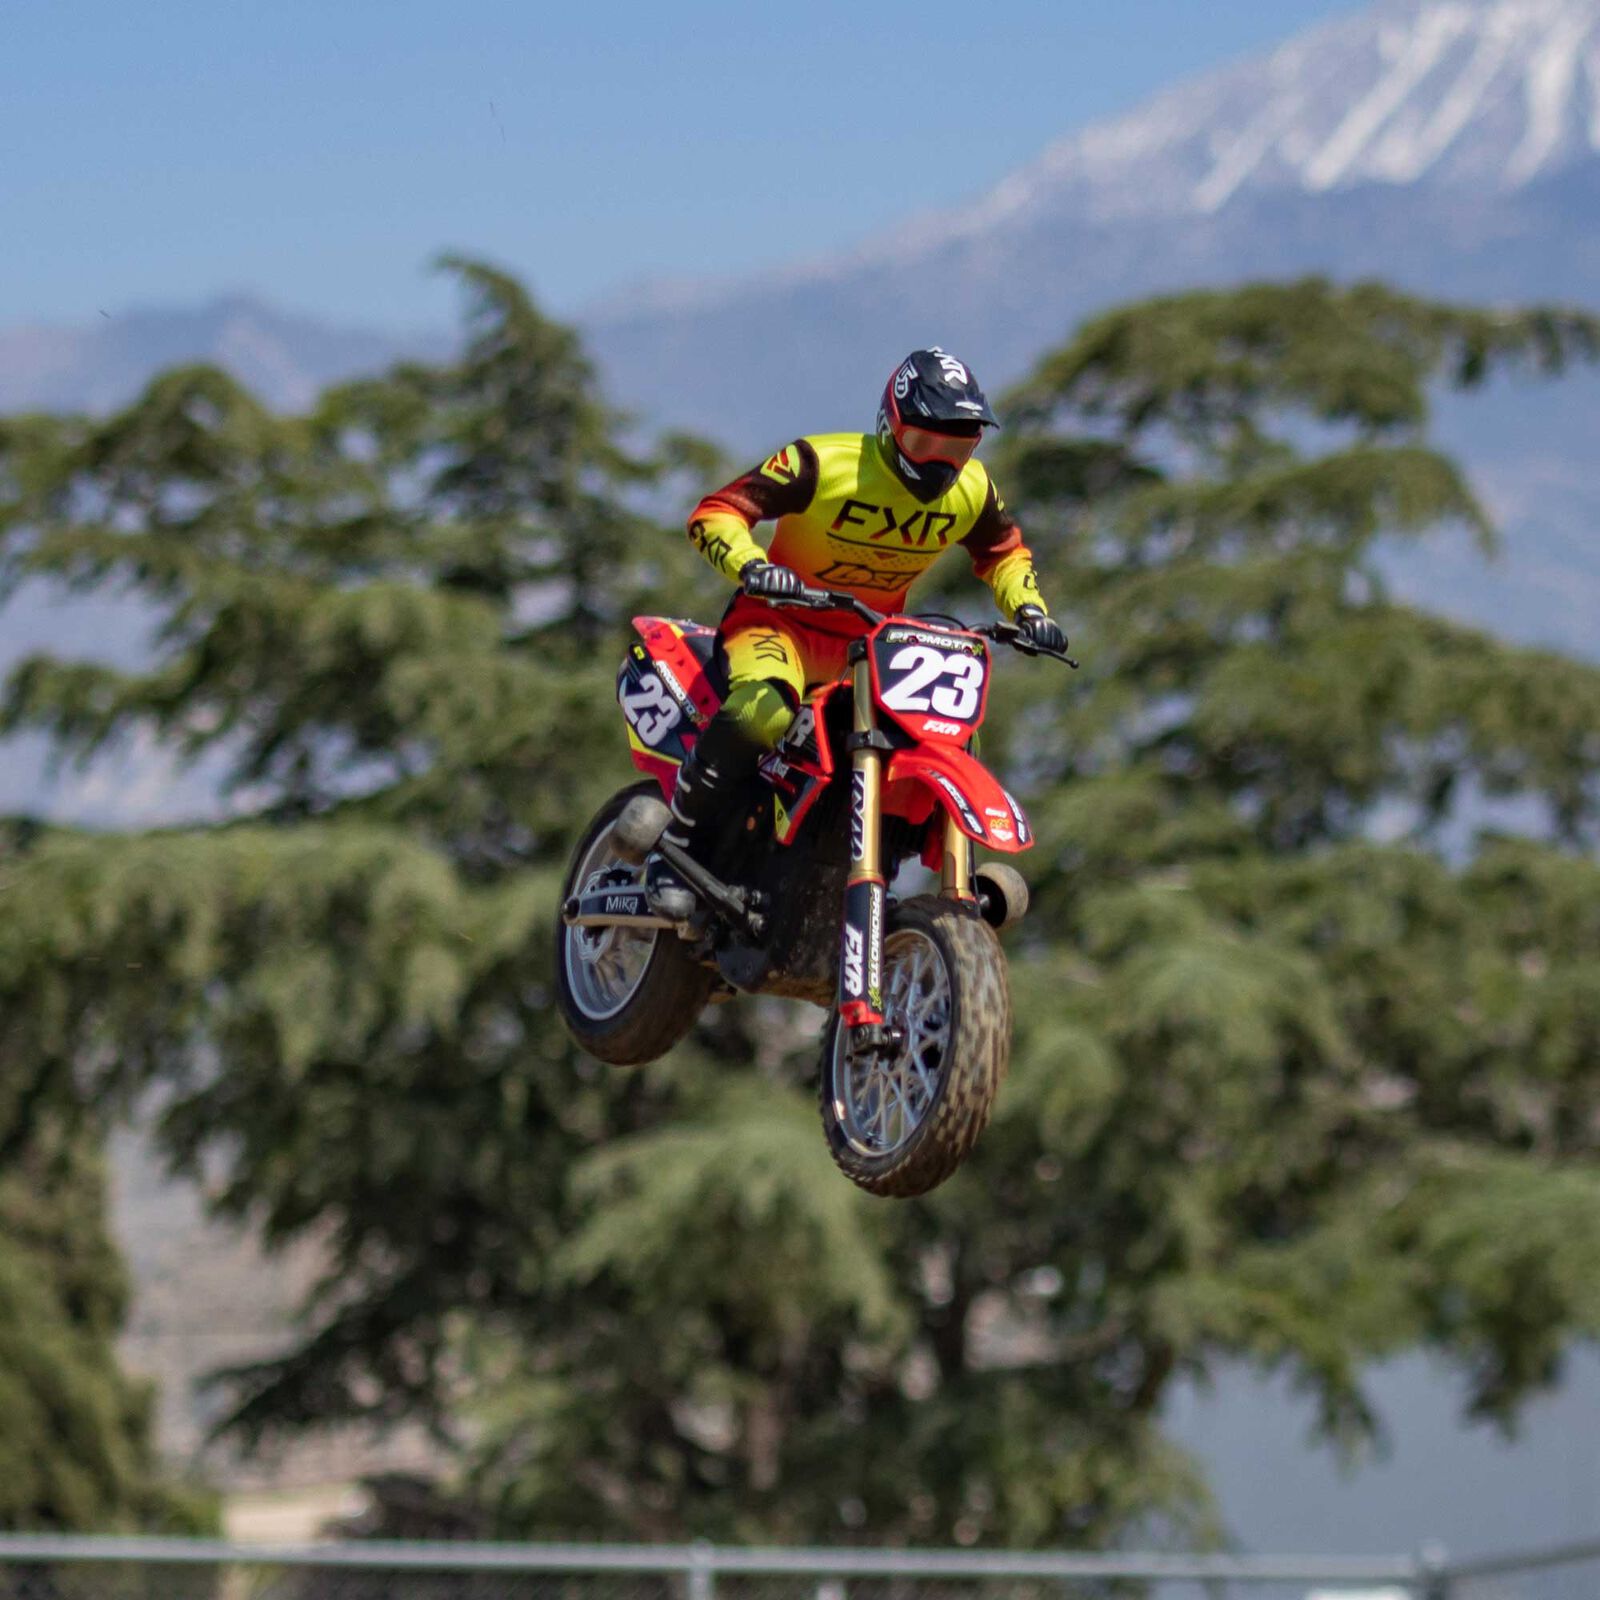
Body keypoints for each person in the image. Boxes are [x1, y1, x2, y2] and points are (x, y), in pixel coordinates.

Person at [646, 347, 1065, 918]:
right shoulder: (820, 463)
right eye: (924, 443)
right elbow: (717, 513)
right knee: (763, 711)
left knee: (945, 732)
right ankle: (676, 846)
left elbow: (1004, 554)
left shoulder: (974, 490)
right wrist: (752, 566)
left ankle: (923, 869)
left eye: (959, 448)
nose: (940, 464)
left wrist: (1031, 610)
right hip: (779, 624)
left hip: (872, 648)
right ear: (890, 427)